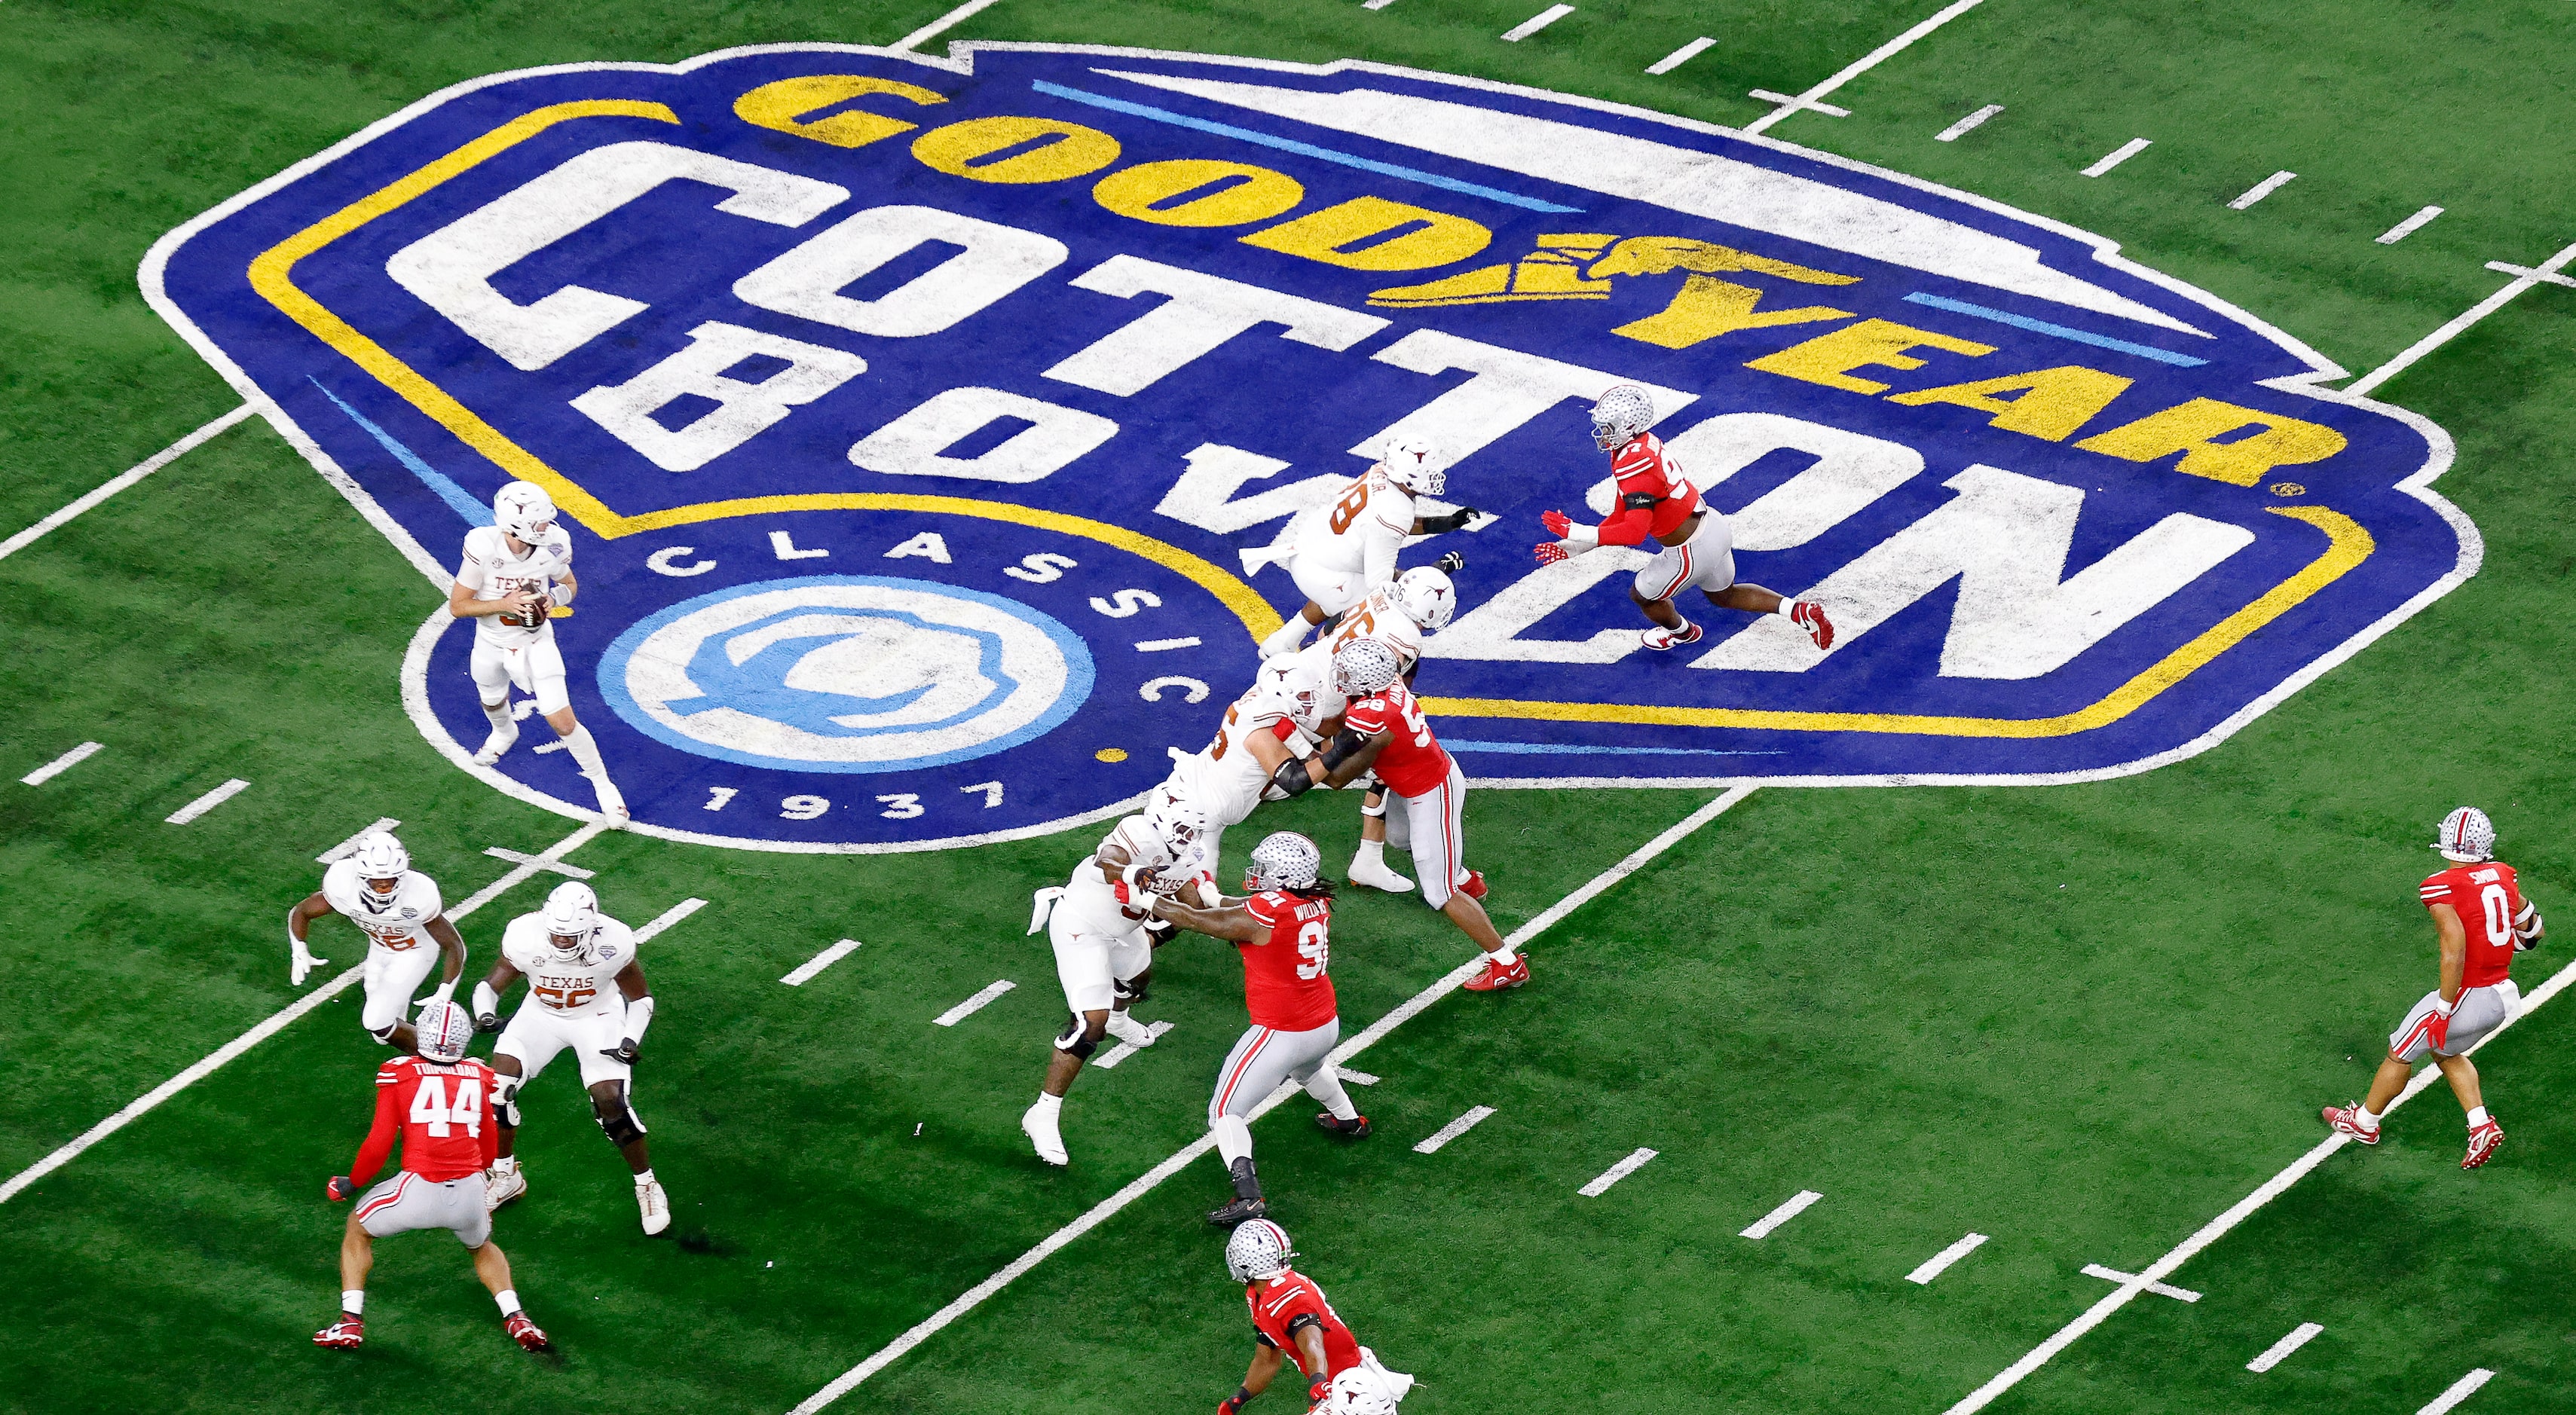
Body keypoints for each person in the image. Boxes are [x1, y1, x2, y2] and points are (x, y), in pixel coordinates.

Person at [1273, 640, 1526, 992]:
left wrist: (1293, 737)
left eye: (1348, 673)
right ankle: (1465, 877)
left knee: (1440, 894)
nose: (1340, 676)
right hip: (1411, 783)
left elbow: (1335, 778)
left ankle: (1507, 964)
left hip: (1432, 791)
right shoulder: (1387, 686)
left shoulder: (1375, 718)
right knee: (1397, 839)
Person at [1151, 832, 1367, 1227]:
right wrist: (1211, 893)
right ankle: (1349, 1119)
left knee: (1224, 1112)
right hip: (1324, 1022)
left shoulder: (1270, 911)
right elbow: (1244, 910)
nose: (1258, 874)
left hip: (1282, 1030)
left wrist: (1146, 899)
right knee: (1310, 1069)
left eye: (1267, 869)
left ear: (1284, 874)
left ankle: (1248, 1196)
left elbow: (1201, 922)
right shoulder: (1315, 899)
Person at [314, 1001, 549, 1353]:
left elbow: (379, 1144)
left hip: (419, 1187)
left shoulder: (399, 1073)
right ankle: (516, 1316)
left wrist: (352, 1182)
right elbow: (488, 1141)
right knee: (481, 1246)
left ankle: (350, 1321)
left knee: (358, 1230)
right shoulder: (480, 1074)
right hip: (470, 1189)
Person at [1534, 384, 1834, 652]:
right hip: (1713, 526)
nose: (1603, 433)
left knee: (1643, 597)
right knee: (1724, 595)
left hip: (1689, 551)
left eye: (1609, 426)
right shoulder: (1642, 445)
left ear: (1628, 426)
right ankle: (1798, 610)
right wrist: (1574, 545)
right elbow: (1619, 515)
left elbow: (1633, 533)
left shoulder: (1634, 465)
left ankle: (1683, 633)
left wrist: (1576, 529)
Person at [2325, 807, 2543, 1169]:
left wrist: (2443, 1007)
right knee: (2443, 1052)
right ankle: (2479, 1124)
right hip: (2502, 995)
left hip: (2468, 997)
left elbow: (2454, 949)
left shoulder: (2439, 885)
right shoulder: (2505, 875)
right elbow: (2534, 932)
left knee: (2401, 1049)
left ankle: (2364, 1124)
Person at [1022, 793, 1213, 1166]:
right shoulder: (1139, 831)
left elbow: (1195, 905)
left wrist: (1235, 908)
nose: (1190, 838)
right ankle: (1042, 1114)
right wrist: (1135, 875)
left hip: (1125, 930)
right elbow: (1109, 861)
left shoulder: (1187, 854)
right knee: (1091, 1024)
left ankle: (1122, 1019)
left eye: (1195, 831)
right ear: (1162, 820)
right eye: (1184, 829)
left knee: (1137, 980)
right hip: (1082, 926)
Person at [471, 881, 668, 1232]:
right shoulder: (525, 935)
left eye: (570, 935)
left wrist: (629, 1039)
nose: (562, 942)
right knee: (496, 1089)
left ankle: (647, 1184)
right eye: (556, 935)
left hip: (597, 1016)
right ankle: (505, 1175)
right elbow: (492, 981)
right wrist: (486, 1012)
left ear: (591, 928)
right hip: (540, 1015)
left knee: (611, 1104)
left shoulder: (613, 943)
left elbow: (640, 998)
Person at [450, 479, 627, 827]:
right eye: (539, 523)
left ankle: (605, 788)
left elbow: (570, 585)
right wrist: (506, 603)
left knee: (560, 718)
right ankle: (504, 733)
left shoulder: (554, 546)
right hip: (490, 640)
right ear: (514, 523)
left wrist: (553, 599)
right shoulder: (484, 547)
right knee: (491, 699)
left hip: (536, 641)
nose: (547, 528)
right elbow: (458, 606)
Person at [1259, 438, 1477, 660]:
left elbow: (1382, 525)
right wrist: (1436, 571)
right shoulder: (1394, 512)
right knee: (1388, 613)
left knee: (1346, 587)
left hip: (1311, 550)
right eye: (1428, 471)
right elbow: (1381, 586)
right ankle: (1315, 659)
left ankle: (1281, 642)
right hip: (1322, 570)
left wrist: (1444, 523)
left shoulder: (1381, 473)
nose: (1434, 476)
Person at [1309, 565, 1457, 894]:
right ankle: (1369, 856)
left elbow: (1326, 631)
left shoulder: (1382, 594)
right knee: (1363, 760)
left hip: (1313, 667)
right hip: (1337, 697)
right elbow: (1385, 683)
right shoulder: (1408, 638)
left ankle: (1369, 855)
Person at [286, 830, 465, 1050]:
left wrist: (445, 991)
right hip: (379, 950)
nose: (383, 887)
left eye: (390, 880)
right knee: (384, 1033)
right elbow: (302, 912)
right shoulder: (343, 885)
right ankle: (428, 1042)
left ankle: (442, 1054)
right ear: (360, 876)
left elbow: (453, 944)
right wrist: (299, 948)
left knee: (375, 1021)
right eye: (376, 881)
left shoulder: (419, 894)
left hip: (414, 952)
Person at [1215, 1219, 1412, 1414]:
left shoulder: (1287, 1295)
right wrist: (1239, 1398)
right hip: (1333, 1387)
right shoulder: (1259, 1295)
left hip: (1353, 1391)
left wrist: (1318, 1382)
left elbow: (1312, 1341)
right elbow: (1267, 1359)